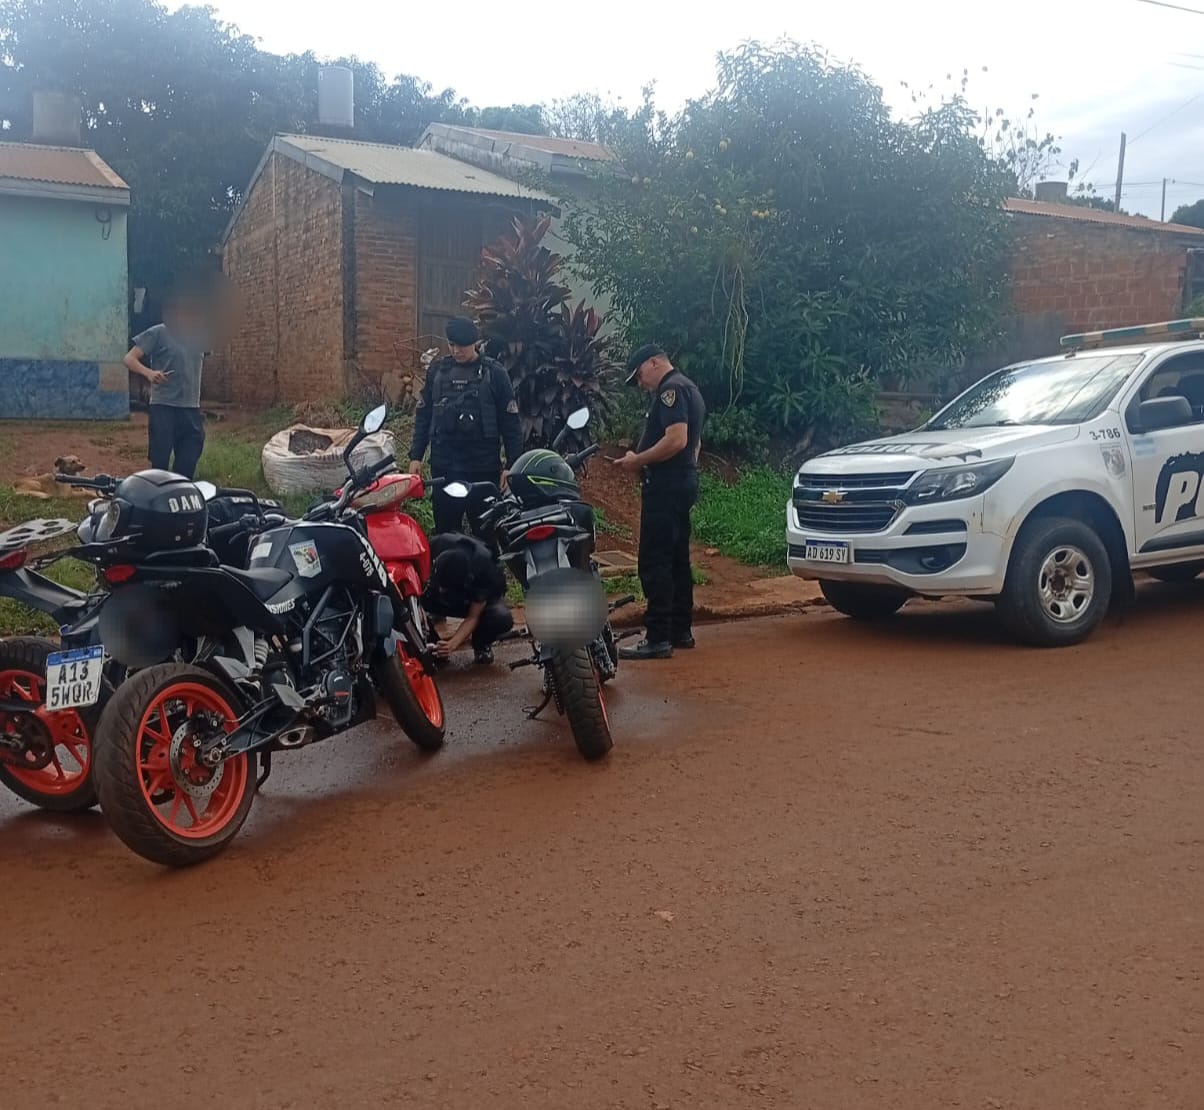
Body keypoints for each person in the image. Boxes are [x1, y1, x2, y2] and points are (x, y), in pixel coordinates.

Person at [613, 344, 706, 659]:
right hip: (681, 482)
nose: (641, 383)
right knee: (677, 559)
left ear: (654, 362)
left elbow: (677, 439)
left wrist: (638, 460)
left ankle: (658, 637)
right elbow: (695, 444)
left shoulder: (671, 390)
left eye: (639, 375)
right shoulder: (689, 387)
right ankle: (680, 630)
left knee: (656, 561)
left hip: (666, 487)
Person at [408, 317, 523, 539]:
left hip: (483, 469)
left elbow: (511, 424)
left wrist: (511, 466)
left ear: (475, 343)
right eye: (452, 345)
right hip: (445, 468)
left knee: (486, 536)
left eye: (462, 346)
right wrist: (416, 456)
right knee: (445, 535)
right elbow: (424, 416)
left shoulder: (494, 373)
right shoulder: (437, 372)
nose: (456, 351)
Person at [125, 288, 210, 479]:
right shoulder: (159, 332)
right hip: (164, 407)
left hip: (191, 408)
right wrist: (149, 373)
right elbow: (129, 359)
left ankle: (180, 494)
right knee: (160, 465)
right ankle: (158, 494)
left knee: (188, 463)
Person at [422, 532, 514, 665]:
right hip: (435, 593)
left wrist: (452, 644)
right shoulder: (435, 545)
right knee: (405, 605)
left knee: (501, 617)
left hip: (471, 601)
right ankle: (431, 646)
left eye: (445, 588)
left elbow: (473, 616)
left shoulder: (485, 569)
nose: (441, 590)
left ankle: (481, 643)